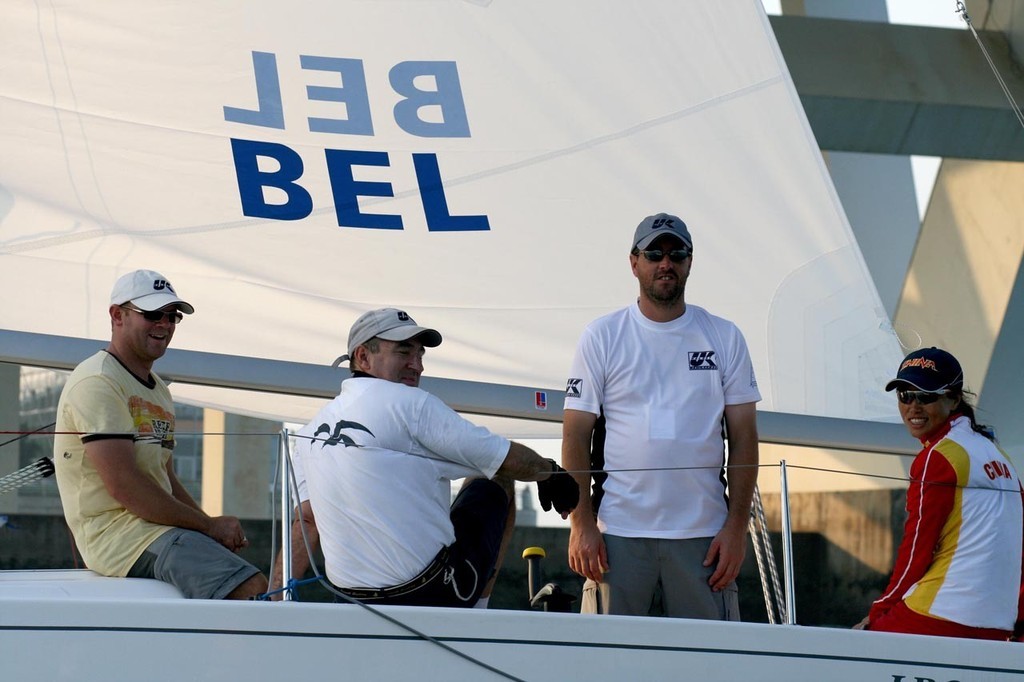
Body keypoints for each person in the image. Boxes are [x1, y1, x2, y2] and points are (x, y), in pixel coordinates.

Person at [302, 307, 578, 607]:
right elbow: (505, 459)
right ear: (363, 357)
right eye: (403, 352)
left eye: (420, 355)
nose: (417, 366)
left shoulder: (310, 430)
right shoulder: (409, 404)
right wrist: (551, 472)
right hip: (429, 593)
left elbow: (306, 520)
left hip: (348, 601)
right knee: (498, 478)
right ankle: (477, 615)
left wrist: (274, 602)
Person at [562, 212, 761, 619]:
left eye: (677, 254)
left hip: (704, 537)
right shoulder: (602, 335)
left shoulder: (724, 336)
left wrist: (737, 528)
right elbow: (575, 435)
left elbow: (744, 437)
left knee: (710, 667)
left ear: (690, 262)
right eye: (654, 253)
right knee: (607, 665)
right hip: (617, 535)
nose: (665, 263)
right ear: (634, 262)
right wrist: (581, 523)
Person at [53, 269, 267, 600]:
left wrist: (207, 526)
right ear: (117, 315)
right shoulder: (98, 381)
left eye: (173, 317)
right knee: (248, 588)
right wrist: (209, 527)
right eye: (152, 314)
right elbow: (125, 486)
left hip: (148, 531)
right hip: (117, 539)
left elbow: (163, 475)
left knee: (246, 582)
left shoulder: (158, 391)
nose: (164, 324)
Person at [854, 347, 1024, 640]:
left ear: (954, 399)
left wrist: (879, 611)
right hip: (998, 624)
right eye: (905, 395)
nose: (913, 407)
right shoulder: (999, 457)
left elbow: (916, 550)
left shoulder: (938, 457)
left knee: (861, 642)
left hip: (943, 613)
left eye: (927, 396)